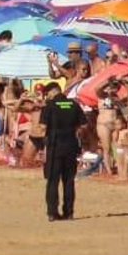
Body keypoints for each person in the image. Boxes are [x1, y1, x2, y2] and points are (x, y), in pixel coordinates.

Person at [38, 83, 85, 221]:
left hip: (54, 145)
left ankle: (52, 212)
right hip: (70, 145)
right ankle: (69, 213)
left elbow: (42, 127)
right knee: (69, 181)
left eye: (48, 94)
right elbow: (84, 125)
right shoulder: (73, 104)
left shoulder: (50, 106)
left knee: (53, 181)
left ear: (52, 92)